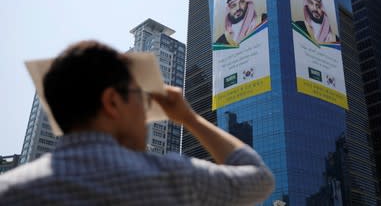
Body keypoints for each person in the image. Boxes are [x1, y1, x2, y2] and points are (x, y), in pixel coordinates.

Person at [0, 41, 274, 205]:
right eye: (140, 99)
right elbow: (259, 179)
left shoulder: (9, 190)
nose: (145, 114)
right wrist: (190, 118)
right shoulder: (173, 178)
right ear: (112, 102)